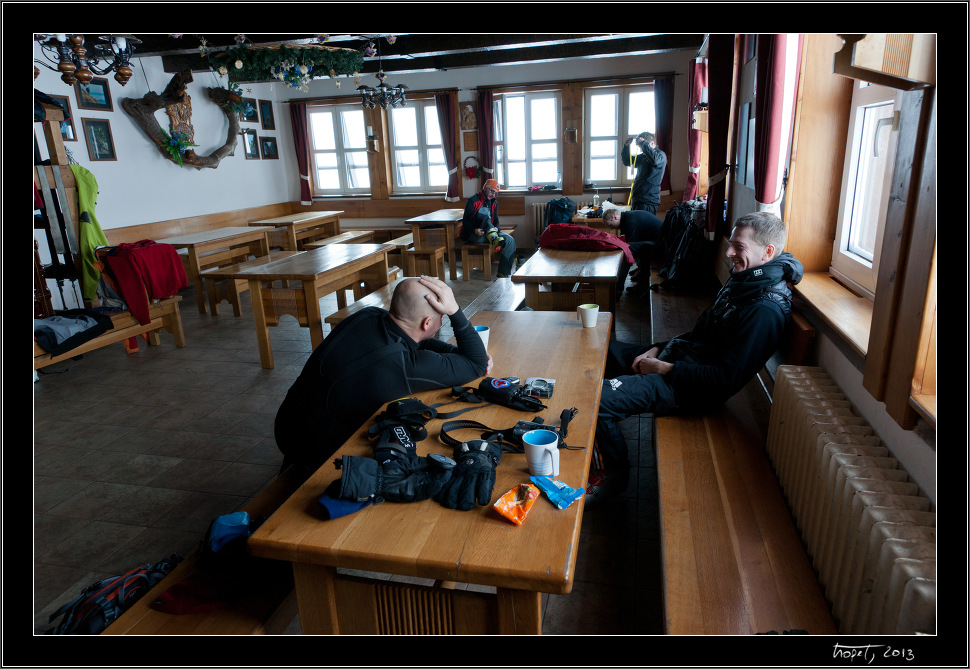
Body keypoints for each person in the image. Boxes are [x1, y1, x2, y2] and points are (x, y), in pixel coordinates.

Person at [587, 212, 803, 504]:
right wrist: (660, 348)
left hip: (690, 390)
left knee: (596, 403)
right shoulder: (746, 282)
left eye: (738, 246)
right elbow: (701, 333)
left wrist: (662, 368)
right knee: (604, 350)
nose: (728, 253)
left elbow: (722, 381)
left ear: (768, 252)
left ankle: (614, 477)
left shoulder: (764, 310)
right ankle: (591, 433)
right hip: (680, 361)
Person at [274, 275, 492, 476]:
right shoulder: (404, 366)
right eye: (442, 317)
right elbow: (476, 363)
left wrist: (459, 354)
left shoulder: (368, 315)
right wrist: (455, 311)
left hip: (287, 423)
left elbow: (421, 341)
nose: (444, 320)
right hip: (313, 449)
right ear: (427, 323)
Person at [461, 178, 519, 278]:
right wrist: (474, 230)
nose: (493, 195)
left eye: (495, 193)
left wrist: (497, 228)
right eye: (491, 191)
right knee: (484, 213)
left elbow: (496, 221)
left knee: (510, 240)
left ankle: (503, 273)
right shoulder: (472, 200)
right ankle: (493, 238)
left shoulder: (494, 203)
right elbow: (465, 221)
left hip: (490, 232)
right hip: (475, 234)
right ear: (485, 188)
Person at [601, 207, 663, 294]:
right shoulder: (626, 218)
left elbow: (628, 248)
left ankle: (618, 289)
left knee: (627, 251)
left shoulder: (630, 222)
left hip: (661, 246)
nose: (611, 229)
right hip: (653, 243)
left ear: (615, 217)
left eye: (610, 225)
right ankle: (640, 283)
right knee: (630, 248)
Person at [620, 132, 667, 214]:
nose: (641, 149)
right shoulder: (643, 156)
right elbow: (627, 161)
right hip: (637, 199)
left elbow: (656, 161)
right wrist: (627, 146)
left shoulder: (660, 155)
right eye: (640, 146)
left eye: (642, 146)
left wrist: (643, 143)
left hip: (648, 201)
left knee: (645, 226)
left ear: (652, 143)